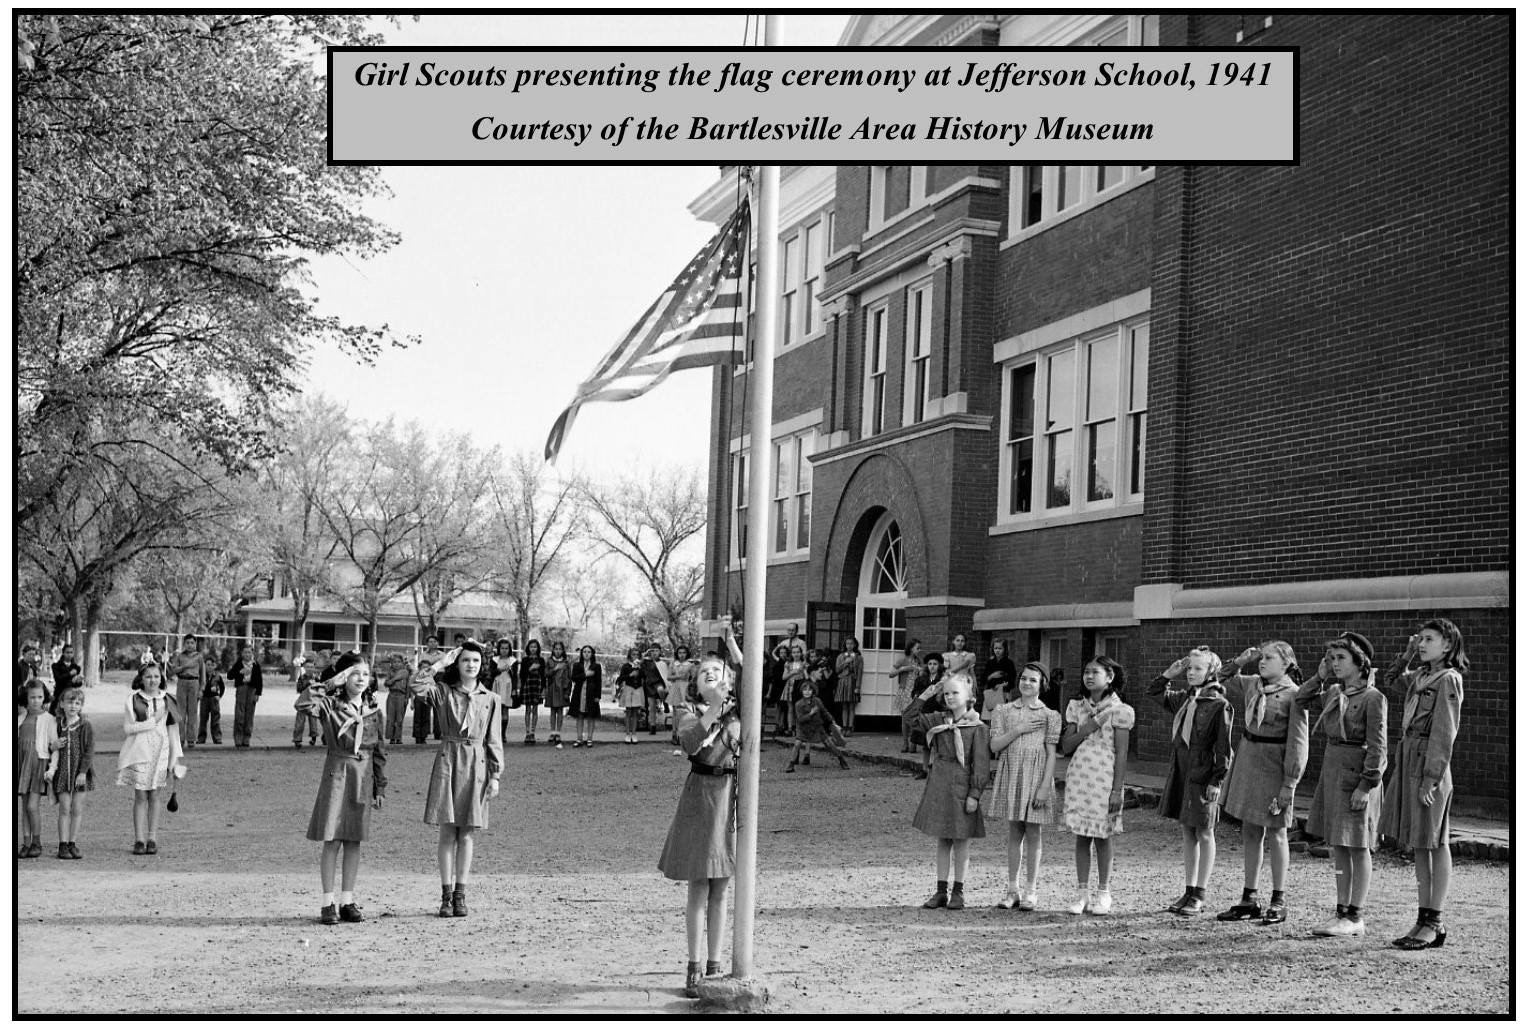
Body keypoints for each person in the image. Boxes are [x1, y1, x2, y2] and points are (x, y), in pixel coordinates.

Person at [1380, 619, 1466, 950]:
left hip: (1430, 761)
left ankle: (1435, 921)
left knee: (1435, 840)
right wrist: (1405, 655)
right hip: (1410, 754)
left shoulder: (1448, 680)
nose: (1421, 644)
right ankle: (1422, 918)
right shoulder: (1420, 676)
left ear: (1447, 646)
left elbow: (1445, 732)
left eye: (1429, 639)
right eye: (1420, 639)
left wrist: (1431, 777)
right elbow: (1390, 681)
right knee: (1419, 842)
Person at [658, 654, 740, 996]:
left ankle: (714, 964)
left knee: (721, 887)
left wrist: (734, 645)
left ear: (730, 680)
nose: (711, 676)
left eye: (717, 672)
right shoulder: (686, 710)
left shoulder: (739, 712)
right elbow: (690, 742)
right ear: (696, 683)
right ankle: (693, 966)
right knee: (699, 885)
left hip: (730, 797)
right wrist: (714, 708)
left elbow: (753, 673)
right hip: (701, 796)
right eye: (704, 673)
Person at [1295, 632, 1387, 938]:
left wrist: (1367, 784)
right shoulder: (1334, 692)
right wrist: (1319, 676)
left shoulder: (1373, 698)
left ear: (1360, 663)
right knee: (1338, 846)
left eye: (1341, 658)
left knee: (1358, 846)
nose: (1335, 664)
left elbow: (1378, 747)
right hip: (1333, 771)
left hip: (1355, 775)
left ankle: (1355, 913)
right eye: (1331, 658)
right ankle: (1341, 910)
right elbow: (1301, 699)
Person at [1214, 641, 1308, 925]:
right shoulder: (1253, 683)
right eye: (1262, 657)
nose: (1262, 662)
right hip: (1249, 758)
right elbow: (1219, 679)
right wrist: (1241, 661)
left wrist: (1289, 784)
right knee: (1250, 830)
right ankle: (1249, 898)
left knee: (1277, 831)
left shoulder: (1295, 695)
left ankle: (1278, 899)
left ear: (1286, 664)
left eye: (1269, 658)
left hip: (1274, 765)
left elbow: (1299, 743)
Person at [413, 641, 504, 918]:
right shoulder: (442, 692)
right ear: (458, 663)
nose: (471, 665)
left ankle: (460, 893)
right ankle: (445, 894)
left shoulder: (490, 698)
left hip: (476, 764)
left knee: (466, 832)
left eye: (475, 661)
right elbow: (417, 684)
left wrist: (495, 774)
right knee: (447, 831)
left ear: (481, 664)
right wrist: (441, 662)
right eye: (465, 660)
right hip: (449, 760)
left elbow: (494, 739)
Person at [296, 652, 387, 924]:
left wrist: (379, 787)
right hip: (338, 773)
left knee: (353, 840)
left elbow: (380, 751)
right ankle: (328, 902)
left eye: (365, 674)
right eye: (354, 673)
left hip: (363, 776)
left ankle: (347, 900)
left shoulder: (374, 710)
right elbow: (303, 703)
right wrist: (331, 683)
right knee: (332, 839)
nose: (361, 678)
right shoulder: (330, 705)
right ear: (343, 676)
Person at [1148, 646, 1234, 917]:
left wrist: (1216, 779)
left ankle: (1201, 892)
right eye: (1189, 668)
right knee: (1187, 829)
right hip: (1182, 771)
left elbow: (1224, 748)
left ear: (1212, 672)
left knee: (1204, 831)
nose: (1191, 673)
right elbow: (1154, 693)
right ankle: (1188, 888)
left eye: (1198, 668)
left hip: (1203, 773)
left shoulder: (1219, 705)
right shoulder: (1186, 699)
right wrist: (1167, 674)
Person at [1061, 657, 1134, 916]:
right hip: (1080, 777)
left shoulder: (1120, 710)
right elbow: (1066, 746)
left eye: (1096, 672)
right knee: (1082, 836)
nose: (1089, 676)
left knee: (1103, 836)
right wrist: (1086, 729)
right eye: (1086, 671)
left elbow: (1122, 753)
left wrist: (1117, 790)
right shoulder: (1075, 707)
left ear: (1110, 677)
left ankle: (1103, 892)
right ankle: (1081, 892)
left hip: (1105, 779)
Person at [911, 674, 989, 911]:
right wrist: (925, 694)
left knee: (961, 840)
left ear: (969, 696)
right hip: (940, 784)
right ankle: (940, 891)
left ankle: (959, 891)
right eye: (946, 693)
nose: (950, 697)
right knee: (942, 839)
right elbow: (908, 717)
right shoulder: (937, 720)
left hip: (963, 786)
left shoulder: (978, 727)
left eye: (955, 692)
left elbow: (982, 763)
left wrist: (975, 793)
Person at [989, 661, 1060, 911]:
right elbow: (995, 746)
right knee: (1014, 831)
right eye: (1023, 678)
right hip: (1013, 774)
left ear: (1042, 684)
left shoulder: (1050, 715)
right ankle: (1012, 889)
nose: (1026, 683)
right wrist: (1018, 729)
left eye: (1033, 679)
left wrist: (1043, 787)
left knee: (1033, 833)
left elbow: (1051, 754)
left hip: (1037, 776)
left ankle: (1031, 890)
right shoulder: (1003, 710)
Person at [115, 662, 186, 855]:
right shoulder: (133, 700)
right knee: (140, 796)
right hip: (140, 752)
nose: (152, 680)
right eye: (148, 676)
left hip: (161, 753)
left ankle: (152, 837)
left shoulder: (168, 699)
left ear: (161, 678)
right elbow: (128, 729)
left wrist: (175, 760)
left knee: (154, 795)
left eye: (156, 676)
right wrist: (152, 721)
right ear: (141, 678)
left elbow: (173, 733)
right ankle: (139, 839)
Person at [47, 686, 93, 859]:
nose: (73, 705)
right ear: (61, 704)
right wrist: (53, 746)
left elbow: (89, 750)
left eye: (77, 702)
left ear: (81, 706)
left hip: (79, 773)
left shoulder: (84, 725)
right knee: (64, 809)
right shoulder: (57, 725)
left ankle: (73, 843)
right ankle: (62, 845)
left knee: (77, 809)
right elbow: (50, 745)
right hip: (63, 773)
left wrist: (82, 772)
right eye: (70, 702)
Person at [15, 680, 56, 858]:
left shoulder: (49, 719)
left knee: (32, 807)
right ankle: (25, 843)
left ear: (44, 697)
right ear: (26, 697)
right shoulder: (19, 719)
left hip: (38, 765)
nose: (36, 700)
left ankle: (36, 842)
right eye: (32, 697)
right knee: (24, 807)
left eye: (39, 697)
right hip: (22, 764)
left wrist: (52, 767)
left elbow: (54, 746)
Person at [784, 678, 850, 773]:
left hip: (817, 727)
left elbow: (824, 712)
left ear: (813, 691)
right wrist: (811, 714)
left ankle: (841, 759)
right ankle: (791, 764)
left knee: (829, 744)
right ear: (801, 691)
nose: (807, 692)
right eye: (805, 690)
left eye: (809, 690)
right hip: (803, 728)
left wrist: (832, 721)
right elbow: (800, 719)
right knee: (797, 744)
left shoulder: (817, 701)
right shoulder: (798, 704)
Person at [906, 652, 947, 780]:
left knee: (938, 743)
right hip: (924, 712)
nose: (932, 666)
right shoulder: (921, 679)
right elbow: (914, 693)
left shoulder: (942, 680)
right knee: (925, 743)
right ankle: (924, 769)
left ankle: (936, 770)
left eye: (935, 664)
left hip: (938, 713)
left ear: (939, 665)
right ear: (927, 666)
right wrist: (917, 696)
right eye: (930, 664)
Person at [166, 634, 206, 750]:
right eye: (187, 643)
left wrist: (201, 689)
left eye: (192, 643)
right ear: (184, 644)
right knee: (181, 712)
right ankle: (180, 738)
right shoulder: (180, 656)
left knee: (192, 712)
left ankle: (191, 739)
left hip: (194, 683)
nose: (190, 645)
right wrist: (185, 667)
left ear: (195, 644)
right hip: (182, 682)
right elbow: (173, 671)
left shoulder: (199, 657)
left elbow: (203, 675)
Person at [890, 640, 924, 754]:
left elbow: (922, 675)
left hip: (915, 691)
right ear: (911, 648)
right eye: (917, 648)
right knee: (905, 718)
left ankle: (913, 742)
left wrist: (921, 671)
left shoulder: (918, 661)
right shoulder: (903, 659)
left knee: (914, 717)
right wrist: (903, 669)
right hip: (905, 691)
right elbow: (891, 674)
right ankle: (905, 743)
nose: (919, 650)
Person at [229, 643, 264, 749]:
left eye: (249, 652)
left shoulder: (256, 665)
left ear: (252, 653)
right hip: (241, 688)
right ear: (242, 653)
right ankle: (238, 737)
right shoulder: (239, 663)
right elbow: (229, 676)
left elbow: (259, 680)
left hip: (252, 689)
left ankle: (246, 738)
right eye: (245, 652)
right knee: (240, 714)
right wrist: (239, 672)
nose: (247, 654)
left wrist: (258, 693)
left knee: (249, 714)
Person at [569, 645, 603, 748]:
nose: (586, 653)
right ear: (582, 653)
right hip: (579, 694)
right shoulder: (577, 665)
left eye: (589, 652)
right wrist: (585, 675)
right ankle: (579, 738)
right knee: (579, 716)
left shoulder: (596, 666)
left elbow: (599, 681)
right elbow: (574, 678)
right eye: (584, 652)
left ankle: (589, 739)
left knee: (590, 716)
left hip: (591, 694)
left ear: (592, 654)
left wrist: (598, 696)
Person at [415, 635, 447, 743]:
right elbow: (420, 668)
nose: (432, 643)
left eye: (434, 641)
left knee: (439, 707)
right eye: (430, 641)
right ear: (427, 643)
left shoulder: (443, 654)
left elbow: (445, 667)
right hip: (426, 680)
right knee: (425, 707)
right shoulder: (423, 655)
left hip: (439, 679)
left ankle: (439, 733)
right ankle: (422, 734)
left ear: (437, 643)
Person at [486, 638, 517, 744]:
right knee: (496, 711)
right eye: (502, 648)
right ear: (499, 649)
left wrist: (514, 689)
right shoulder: (494, 660)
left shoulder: (512, 660)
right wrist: (499, 670)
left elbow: (515, 677)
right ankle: (495, 733)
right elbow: (491, 673)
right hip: (497, 685)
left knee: (505, 710)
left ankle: (503, 733)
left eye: (506, 648)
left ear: (509, 649)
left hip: (508, 686)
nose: (504, 650)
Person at [517, 639, 547, 746]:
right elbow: (522, 675)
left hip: (537, 686)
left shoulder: (541, 660)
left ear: (538, 648)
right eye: (531, 647)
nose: (533, 649)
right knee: (527, 709)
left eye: (535, 647)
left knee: (535, 709)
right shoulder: (525, 660)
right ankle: (527, 732)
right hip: (527, 686)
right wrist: (531, 668)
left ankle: (533, 732)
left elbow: (544, 675)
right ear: (528, 648)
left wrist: (544, 688)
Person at [544, 641, 573, 749]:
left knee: (560, 711)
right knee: (552, 711)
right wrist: (555, 669)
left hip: (562, 689)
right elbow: (546, 674)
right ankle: (552, 732)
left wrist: (567, 692)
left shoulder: (566, 662)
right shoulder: (550, 661)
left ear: (563, 650)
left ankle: (558, 732)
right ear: (553, 650)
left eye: (560, 649)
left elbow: (569, 679)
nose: (558, 651)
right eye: (556, 649)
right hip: (552, 689)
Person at [979, 638, 1018, 719]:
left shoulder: (1009, 663)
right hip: (991, 694)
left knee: (1002, 719)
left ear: (1005, 649)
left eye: (1000, 648)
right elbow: (982, 680)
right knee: (989, 719)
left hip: (1003, 694)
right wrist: (991, 676)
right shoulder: (990, 663)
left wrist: (1002, 686)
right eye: (995, 648)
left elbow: (1012, 681)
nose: (997, 651)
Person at [615, 647, 645, 745]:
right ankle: (627, 734)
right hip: (629, 689)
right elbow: (620, 678)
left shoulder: (641, 666)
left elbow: (645, 676)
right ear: (629, 656)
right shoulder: (626, 666)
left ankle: (634, 734)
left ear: (639, 656)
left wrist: (640, 669)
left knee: (636, 713)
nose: (635, 656)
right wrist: (630, 675)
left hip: (638, 689)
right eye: (633, 654)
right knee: (628, 712)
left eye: (637, 654)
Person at [834, 637, 864, 735]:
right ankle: (844, 726)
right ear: (845, 645)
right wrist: (845, 663)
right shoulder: (840, 656)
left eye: (851, 644)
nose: (849, 646)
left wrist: (858, 687)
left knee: (851, 706)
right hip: (843, 682)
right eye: (847, 644)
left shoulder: (858, 657)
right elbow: (837, 670)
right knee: (844, 706)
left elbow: (860, 673)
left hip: (853, 682)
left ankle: (850, 727)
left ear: (855, 645)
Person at [292, 656, 322, 749]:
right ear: (304, 668)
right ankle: (297, 739)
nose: (310, 669)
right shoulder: (301, 678)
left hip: (313, 702)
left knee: (313, 721)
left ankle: (313, 737)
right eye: (307, 667)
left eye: (311, 667)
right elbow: (299, 689)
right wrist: (307, 684)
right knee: (300, 721)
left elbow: (320, 690)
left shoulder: (317, 678)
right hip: (303, 701)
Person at [381, 654, 410, 745]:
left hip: (401, 696)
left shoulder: (405, 672)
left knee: (399, 718)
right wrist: (392, 680)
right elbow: (386, 683)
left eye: (399, 662)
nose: (396, 664)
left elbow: (408, 687)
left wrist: (407, 698)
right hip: (392, 696)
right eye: (394, 662)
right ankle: (391, 738)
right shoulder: (390, 673)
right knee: (390, 718)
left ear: (402, 663)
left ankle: (398, 737)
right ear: (391, 664)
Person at [642, 645, 669, 737]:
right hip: (650, 685)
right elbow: (640, 663)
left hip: (659, 683)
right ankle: (652, 726)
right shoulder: (646, 662)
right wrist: (645, 653)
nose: (654, 653)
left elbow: (665, 676)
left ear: (660, 652)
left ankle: (665, 702)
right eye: (652, 651)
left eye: (657, 651)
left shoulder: (662, 663)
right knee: (652, 707)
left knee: (660, 690)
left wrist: (667, 686)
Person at [196, 663, 227, 745]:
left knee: (215, 719)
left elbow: (223, 687)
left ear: (215, 666)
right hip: (204, 699)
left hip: (214, 699)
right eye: (208, 665)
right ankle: (201, 738)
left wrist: (219, 696)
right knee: (203, 719)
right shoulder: (202, 676)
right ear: (205, 666)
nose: (210, 667)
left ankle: (217, 738)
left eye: (212, 665)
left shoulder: (217, 676)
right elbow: (198, 686)